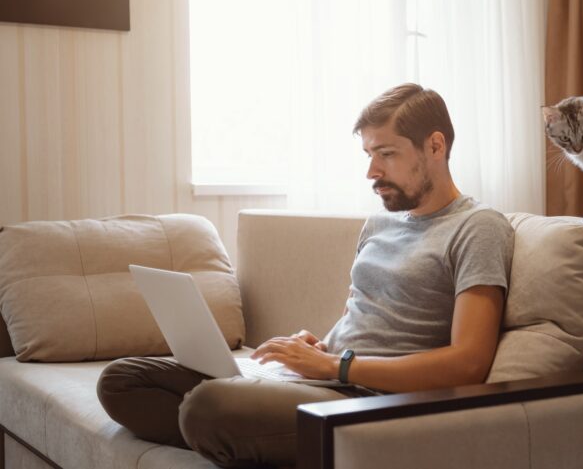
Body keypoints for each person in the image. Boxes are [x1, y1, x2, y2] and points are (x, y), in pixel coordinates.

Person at [97, 83, 514, 469]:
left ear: (435, 145)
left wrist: (336, 365)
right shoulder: (379, 225)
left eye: (386, 154)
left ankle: (239, 433)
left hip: (373, 402)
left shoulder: (478, 227)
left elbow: (469, 363)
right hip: (331, 379)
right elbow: (365, 313)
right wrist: (315, 347)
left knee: (206, 406)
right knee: (122, 381)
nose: (372, 171)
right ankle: (253, 440)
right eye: (368, 154)